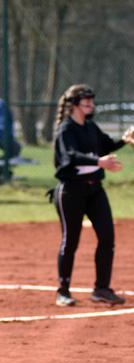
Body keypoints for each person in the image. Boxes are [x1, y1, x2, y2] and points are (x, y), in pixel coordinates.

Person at [51, 84, 134, 307]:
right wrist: (99, 161)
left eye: (92, 102)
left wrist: (125, 139)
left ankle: (102, 289)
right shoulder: (66, 129)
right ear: (75, 105)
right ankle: (63, 291)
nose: (91, 106)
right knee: (71, 241)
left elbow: (107, 145)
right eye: (87, 102)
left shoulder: (90, 127)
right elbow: (70, 155)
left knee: (107, 237)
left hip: (94, 189)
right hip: (71, 191)